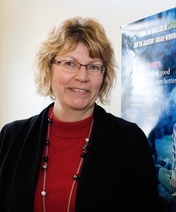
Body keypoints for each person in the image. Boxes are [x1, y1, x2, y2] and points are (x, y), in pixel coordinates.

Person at [0, 16, 160, 212]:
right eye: (69, 63)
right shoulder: (12, 137)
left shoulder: (129, 141)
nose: (82, 77)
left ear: (104, 75)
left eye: (93, 67)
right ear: (48, 68)